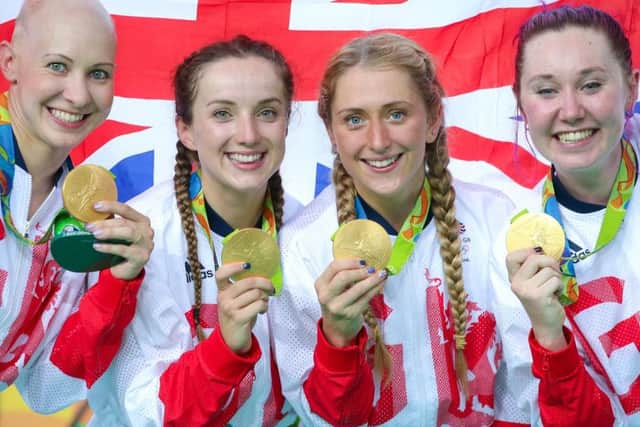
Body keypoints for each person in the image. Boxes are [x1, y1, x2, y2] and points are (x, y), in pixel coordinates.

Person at [270, 32, 524, 426]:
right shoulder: (301, 248)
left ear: (433, 119)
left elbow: (522, 389)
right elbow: (320, 418)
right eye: (354, 119)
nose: (378, 140)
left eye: (396, 114)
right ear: (331, 133)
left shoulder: (494, 219)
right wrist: (337, 337)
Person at [88, 35, 300, 426]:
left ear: (288, 121)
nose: (249, 134)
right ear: (185, 130)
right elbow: (146, 414)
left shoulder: (308, 233)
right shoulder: (141, 240)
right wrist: (225, 347)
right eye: (222, 114)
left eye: (267, 112)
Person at [0, 0, 153, 413]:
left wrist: (119, 280)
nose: (78, 93)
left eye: (98, 74)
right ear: (10, 62)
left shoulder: (78, 218)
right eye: (57, 66)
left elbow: (50, 390)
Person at [503, 5, 640, 425]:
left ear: (632, 89)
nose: (571, 110)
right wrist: (549, 336)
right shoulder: (507, 241)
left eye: (591, 84)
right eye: (546, 91)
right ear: (520, 102)